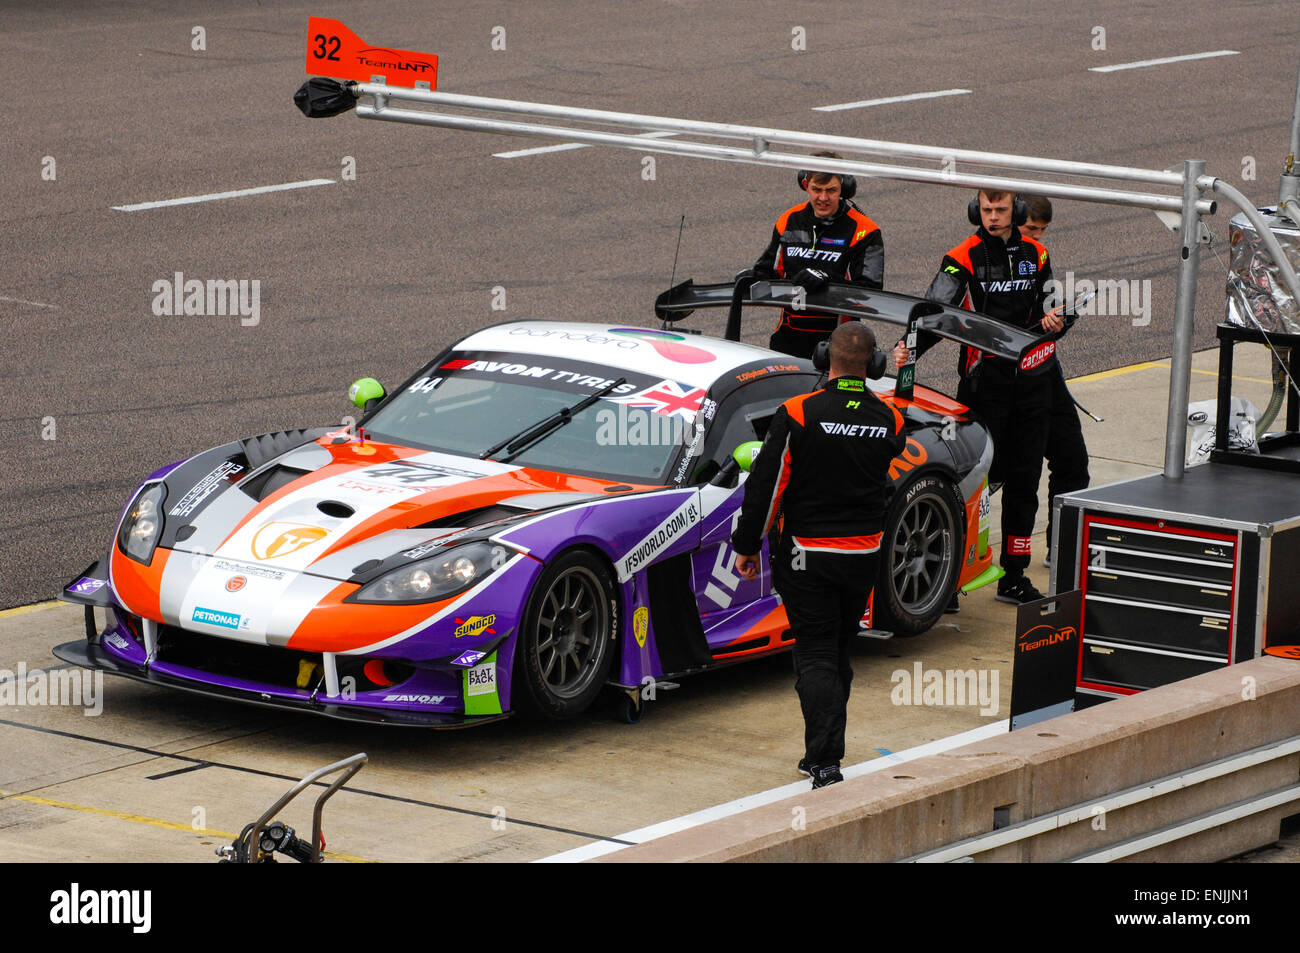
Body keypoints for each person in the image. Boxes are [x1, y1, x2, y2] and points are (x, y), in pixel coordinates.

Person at [733, 322, 905, 789]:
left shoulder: (797, 412)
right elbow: (891, 457)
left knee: (815, 653)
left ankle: (826, 762)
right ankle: (822, 753)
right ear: (874, 365)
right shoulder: (889, 419)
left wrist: (747, 545)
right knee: (838, 648)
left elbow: (767, 488)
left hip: (807, 556)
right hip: (863, 555)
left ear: (825, 357)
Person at [892, 189, 1061, 604]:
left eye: (1001, 209)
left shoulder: (1037, 254)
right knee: (974, 478)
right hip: (984, 382)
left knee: (1025, 479)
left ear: (1016, 211)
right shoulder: (961, 257)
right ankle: (950, 577)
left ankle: (1014, 575)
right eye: (987, 209)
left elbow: (1056, 308)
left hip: (1034, 380)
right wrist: (907, 348)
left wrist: (1058, 319)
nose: (993, 217)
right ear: (976, 211)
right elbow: (932, 313)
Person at [752, 151, 884, 359]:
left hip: (840, 347)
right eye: (817, 189)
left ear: (844, 189)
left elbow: (871, 294)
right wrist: (749, 278)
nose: (823, 198)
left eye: (831, 190)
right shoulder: (788, 220)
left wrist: (827, 279)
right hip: (788, 341)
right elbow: (767, 273)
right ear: (806, 185)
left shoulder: (865, 231)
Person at [1017, 196, 1091, 567]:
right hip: (1006, 380)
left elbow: (1048, 315)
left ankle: (1061, 549)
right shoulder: (981, 260)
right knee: (1016, 475)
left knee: (1073, 459)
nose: (1038, 236)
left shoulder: (1039, 257)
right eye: (1031, 228)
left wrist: (1060, 318)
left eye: (1043, 230)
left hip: (1045, 369)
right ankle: (1010, 565)